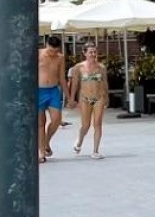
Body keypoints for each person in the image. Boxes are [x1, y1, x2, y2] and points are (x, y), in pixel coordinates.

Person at [67, 42, 109, 159]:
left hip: (99, 98)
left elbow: (105, 83)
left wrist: (106, 97)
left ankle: (95, 151)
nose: (93, 54)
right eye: (90, 52)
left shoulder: (101, 68)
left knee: (98, 124)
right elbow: (74, 84)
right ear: (84, 53)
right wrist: (71, 99)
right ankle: (80, 140)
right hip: (84, 98)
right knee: (85, 125)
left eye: (95, 52)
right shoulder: (78, 68)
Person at [36, 35, 66, 163]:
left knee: (56, 119)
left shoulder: (60, 58)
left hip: (53, 90)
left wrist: (69, 97)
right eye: (51, 51)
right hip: (39, 90)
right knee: (40, 123)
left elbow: (62, 77)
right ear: (46, 45)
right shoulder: (38, 54)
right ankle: (41, 152)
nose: (53, 53)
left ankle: (47, 141)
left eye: (56, 51)